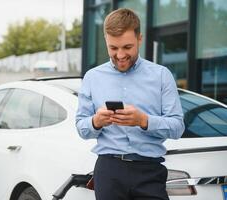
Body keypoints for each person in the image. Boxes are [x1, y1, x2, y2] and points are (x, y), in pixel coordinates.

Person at [75, 8, 185, 200]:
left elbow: (177, 127)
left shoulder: (161, 76)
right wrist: (96, 121)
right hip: (109, 171)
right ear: (106, 42)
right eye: (113, 48)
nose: (120, 55)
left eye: (127, 47)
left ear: (139, 39)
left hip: (149, 171)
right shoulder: (92, 78)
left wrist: (144, 120)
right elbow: (81, 128)